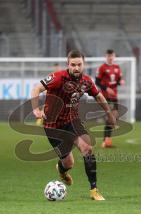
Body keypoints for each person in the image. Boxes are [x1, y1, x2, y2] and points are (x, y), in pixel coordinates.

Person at [31, 50, 116, 201]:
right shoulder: (58, 78)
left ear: (84, 64)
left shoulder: (86, 81)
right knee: (68, 162)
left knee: (87, 148)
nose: (76, 68)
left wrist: (109, 113)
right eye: (73, 65)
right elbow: (37, 88)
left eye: (79, 65)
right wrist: (36, 109)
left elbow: (98, 96)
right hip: (53, 126)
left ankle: (94, 190)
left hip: (73, 121)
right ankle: (62, 171)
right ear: (68, 64)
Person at [95, 49, 125, 148]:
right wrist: (106, 88)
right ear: (106, 57)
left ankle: (106, 141)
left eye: (112, 56)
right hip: (105, 97)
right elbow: (97, 81)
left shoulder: (117, 67)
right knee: (111, 118)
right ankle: (105, 141)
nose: (111, 57)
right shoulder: (102, 68)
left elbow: (119, 80)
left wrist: (121, 82)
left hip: (114, 96)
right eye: (109, 56)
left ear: (114, 56)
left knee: (113, 119)